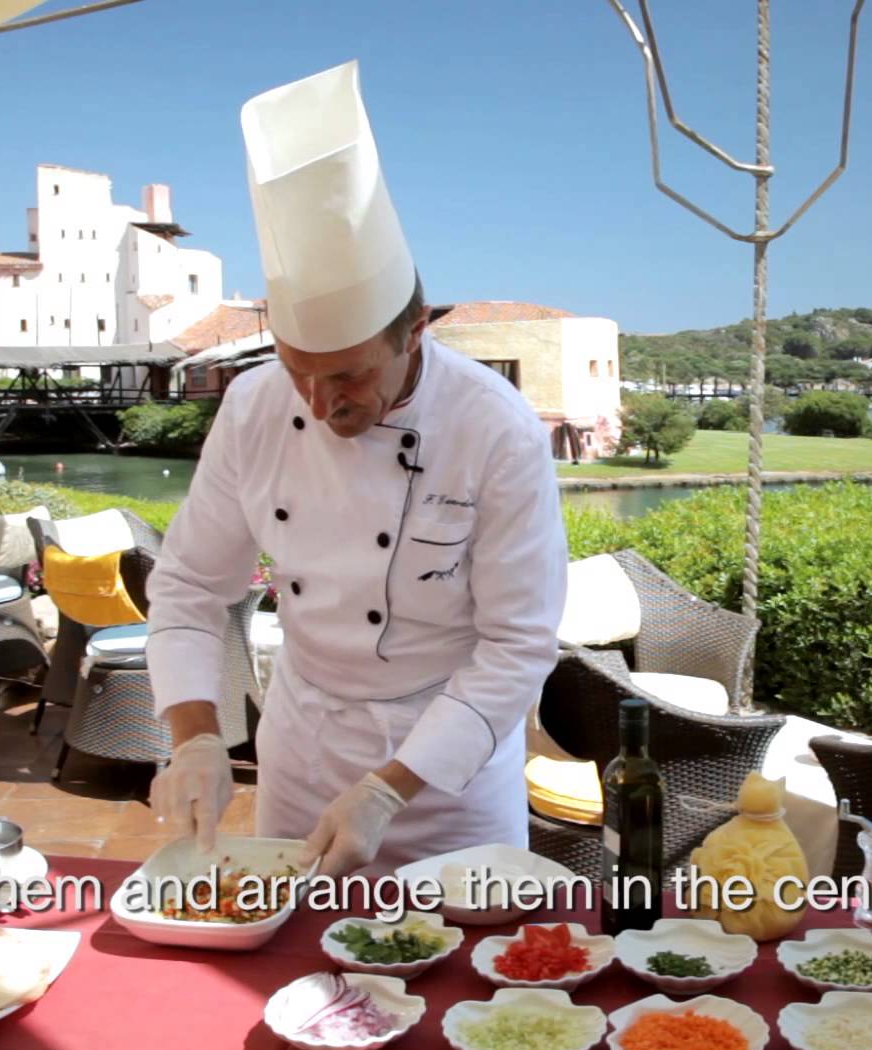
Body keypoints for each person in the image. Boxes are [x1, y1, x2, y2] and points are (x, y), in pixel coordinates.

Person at [144, 61, 568, 878]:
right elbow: (191, 586)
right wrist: (195, 736)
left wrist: (386, 790)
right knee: (291, 941)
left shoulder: (496, 429)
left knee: (457, 954)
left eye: (346, 375)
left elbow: (517, 647)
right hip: (303, 750)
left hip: (445, 776)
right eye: (296, 370)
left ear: (415, 329)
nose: (318, 401)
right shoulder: (254, 407)